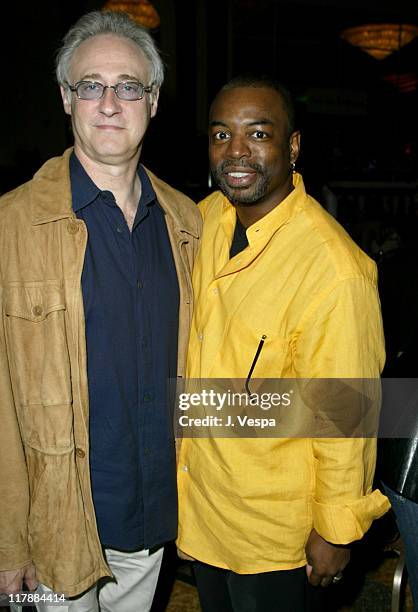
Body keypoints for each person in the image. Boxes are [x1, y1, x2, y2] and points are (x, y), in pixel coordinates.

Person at [0, 10, 200, 612]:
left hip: (151, 523)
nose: (110, 102)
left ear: (154, 101)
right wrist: (8, 538)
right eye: (91, 85)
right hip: (51, 528)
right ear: (67, 98)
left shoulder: (189, 224)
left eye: (129, 86)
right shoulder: (11, 226)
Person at [176, 76, 390, 611]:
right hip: (202, 507)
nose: (237, 151)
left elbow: (345, 409)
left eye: (259, 133)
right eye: (221, 134)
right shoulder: (203, 221)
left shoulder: (333, 269)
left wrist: (336, 530)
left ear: (291, 147)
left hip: (274, 535)